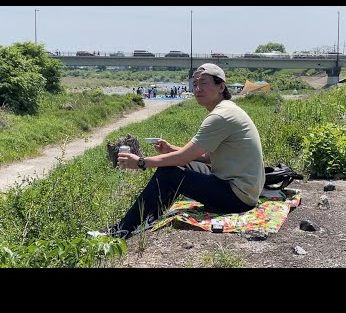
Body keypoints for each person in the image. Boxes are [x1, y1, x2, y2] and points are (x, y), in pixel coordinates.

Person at [99, 63, 265, 239]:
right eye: (194, 84)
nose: (197, 89)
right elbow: (207, 157)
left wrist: (141, 162)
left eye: (203, 83)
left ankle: (122, 229)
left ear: (221, 86)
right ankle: (149, 218)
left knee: (169, 174)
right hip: (243, 190)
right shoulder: (226, 110)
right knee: (174, 168)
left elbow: (183, 157)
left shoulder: (220, 116)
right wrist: (171, 149)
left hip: (238, 197)